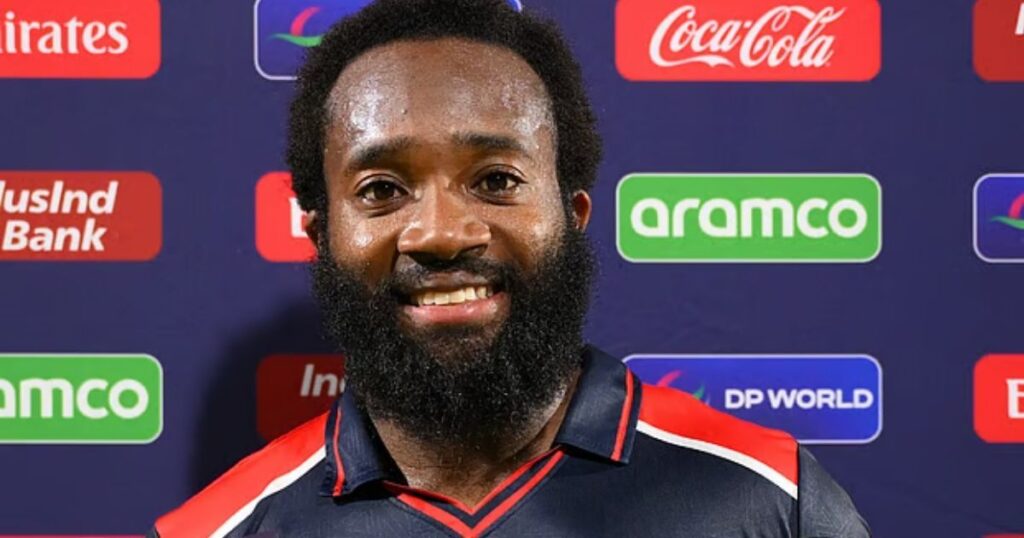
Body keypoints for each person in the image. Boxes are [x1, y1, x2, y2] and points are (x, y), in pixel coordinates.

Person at [149, 0, 869, 536]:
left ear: (573, 214)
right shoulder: (217, 531)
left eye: (496, 180)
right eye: (382, 190)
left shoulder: (771, 501)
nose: (440, 233)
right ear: (319, 234)